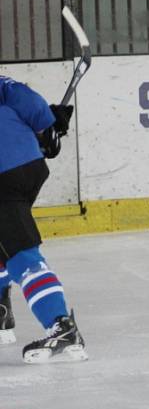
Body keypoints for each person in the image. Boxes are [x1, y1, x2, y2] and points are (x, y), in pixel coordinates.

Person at [0, 75, 88, 363]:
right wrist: (49, 126)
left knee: (22, 256)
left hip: (4, 176)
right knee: (5, 244)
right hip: (27, 165)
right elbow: (26, 101)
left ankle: (61, 326)